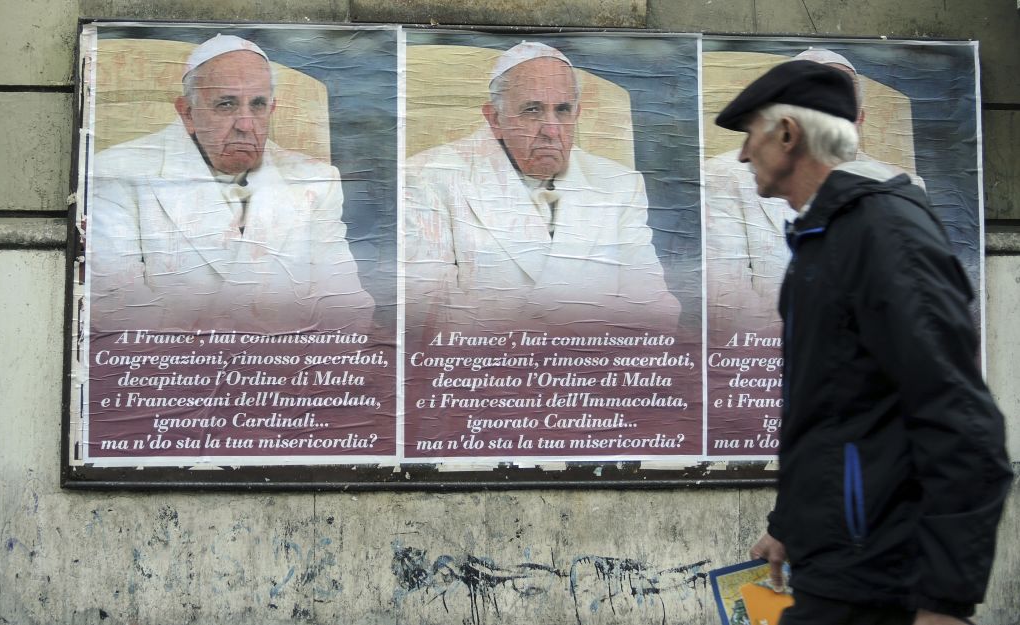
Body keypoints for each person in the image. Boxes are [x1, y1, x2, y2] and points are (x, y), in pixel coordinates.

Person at [714, 60, 1012, 624]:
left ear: (787, 134)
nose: (743, 153)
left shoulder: (886, 236)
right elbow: (833, 415)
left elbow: (964, 424)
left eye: (750, 133)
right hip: (837, 569)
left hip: (882, 581)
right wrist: (789, 527)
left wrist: (946, 601)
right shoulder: (824, 240)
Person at [88, 34, 373, 333]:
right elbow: (113, 306)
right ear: (188, 113)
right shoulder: (118, 173)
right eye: (226, 105)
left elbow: (347, 304)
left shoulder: (316, 180)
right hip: (168, 372)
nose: (246, 124)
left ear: (271, 109)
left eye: (258, 105)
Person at [404, 41, 679, 332]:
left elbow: (653, 309)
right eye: (532, 110)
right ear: (495, 119)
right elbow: (423, 316)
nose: (551, 130)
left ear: (577, 114)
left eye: (562, 110)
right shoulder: (431, 178)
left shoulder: (619, 185)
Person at [705, 48, 924, 335]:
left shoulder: (900, 193)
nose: (745, 154)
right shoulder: (724, 175)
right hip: (756, 363)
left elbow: (915, 323)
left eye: (753, 133)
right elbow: (724, 305)